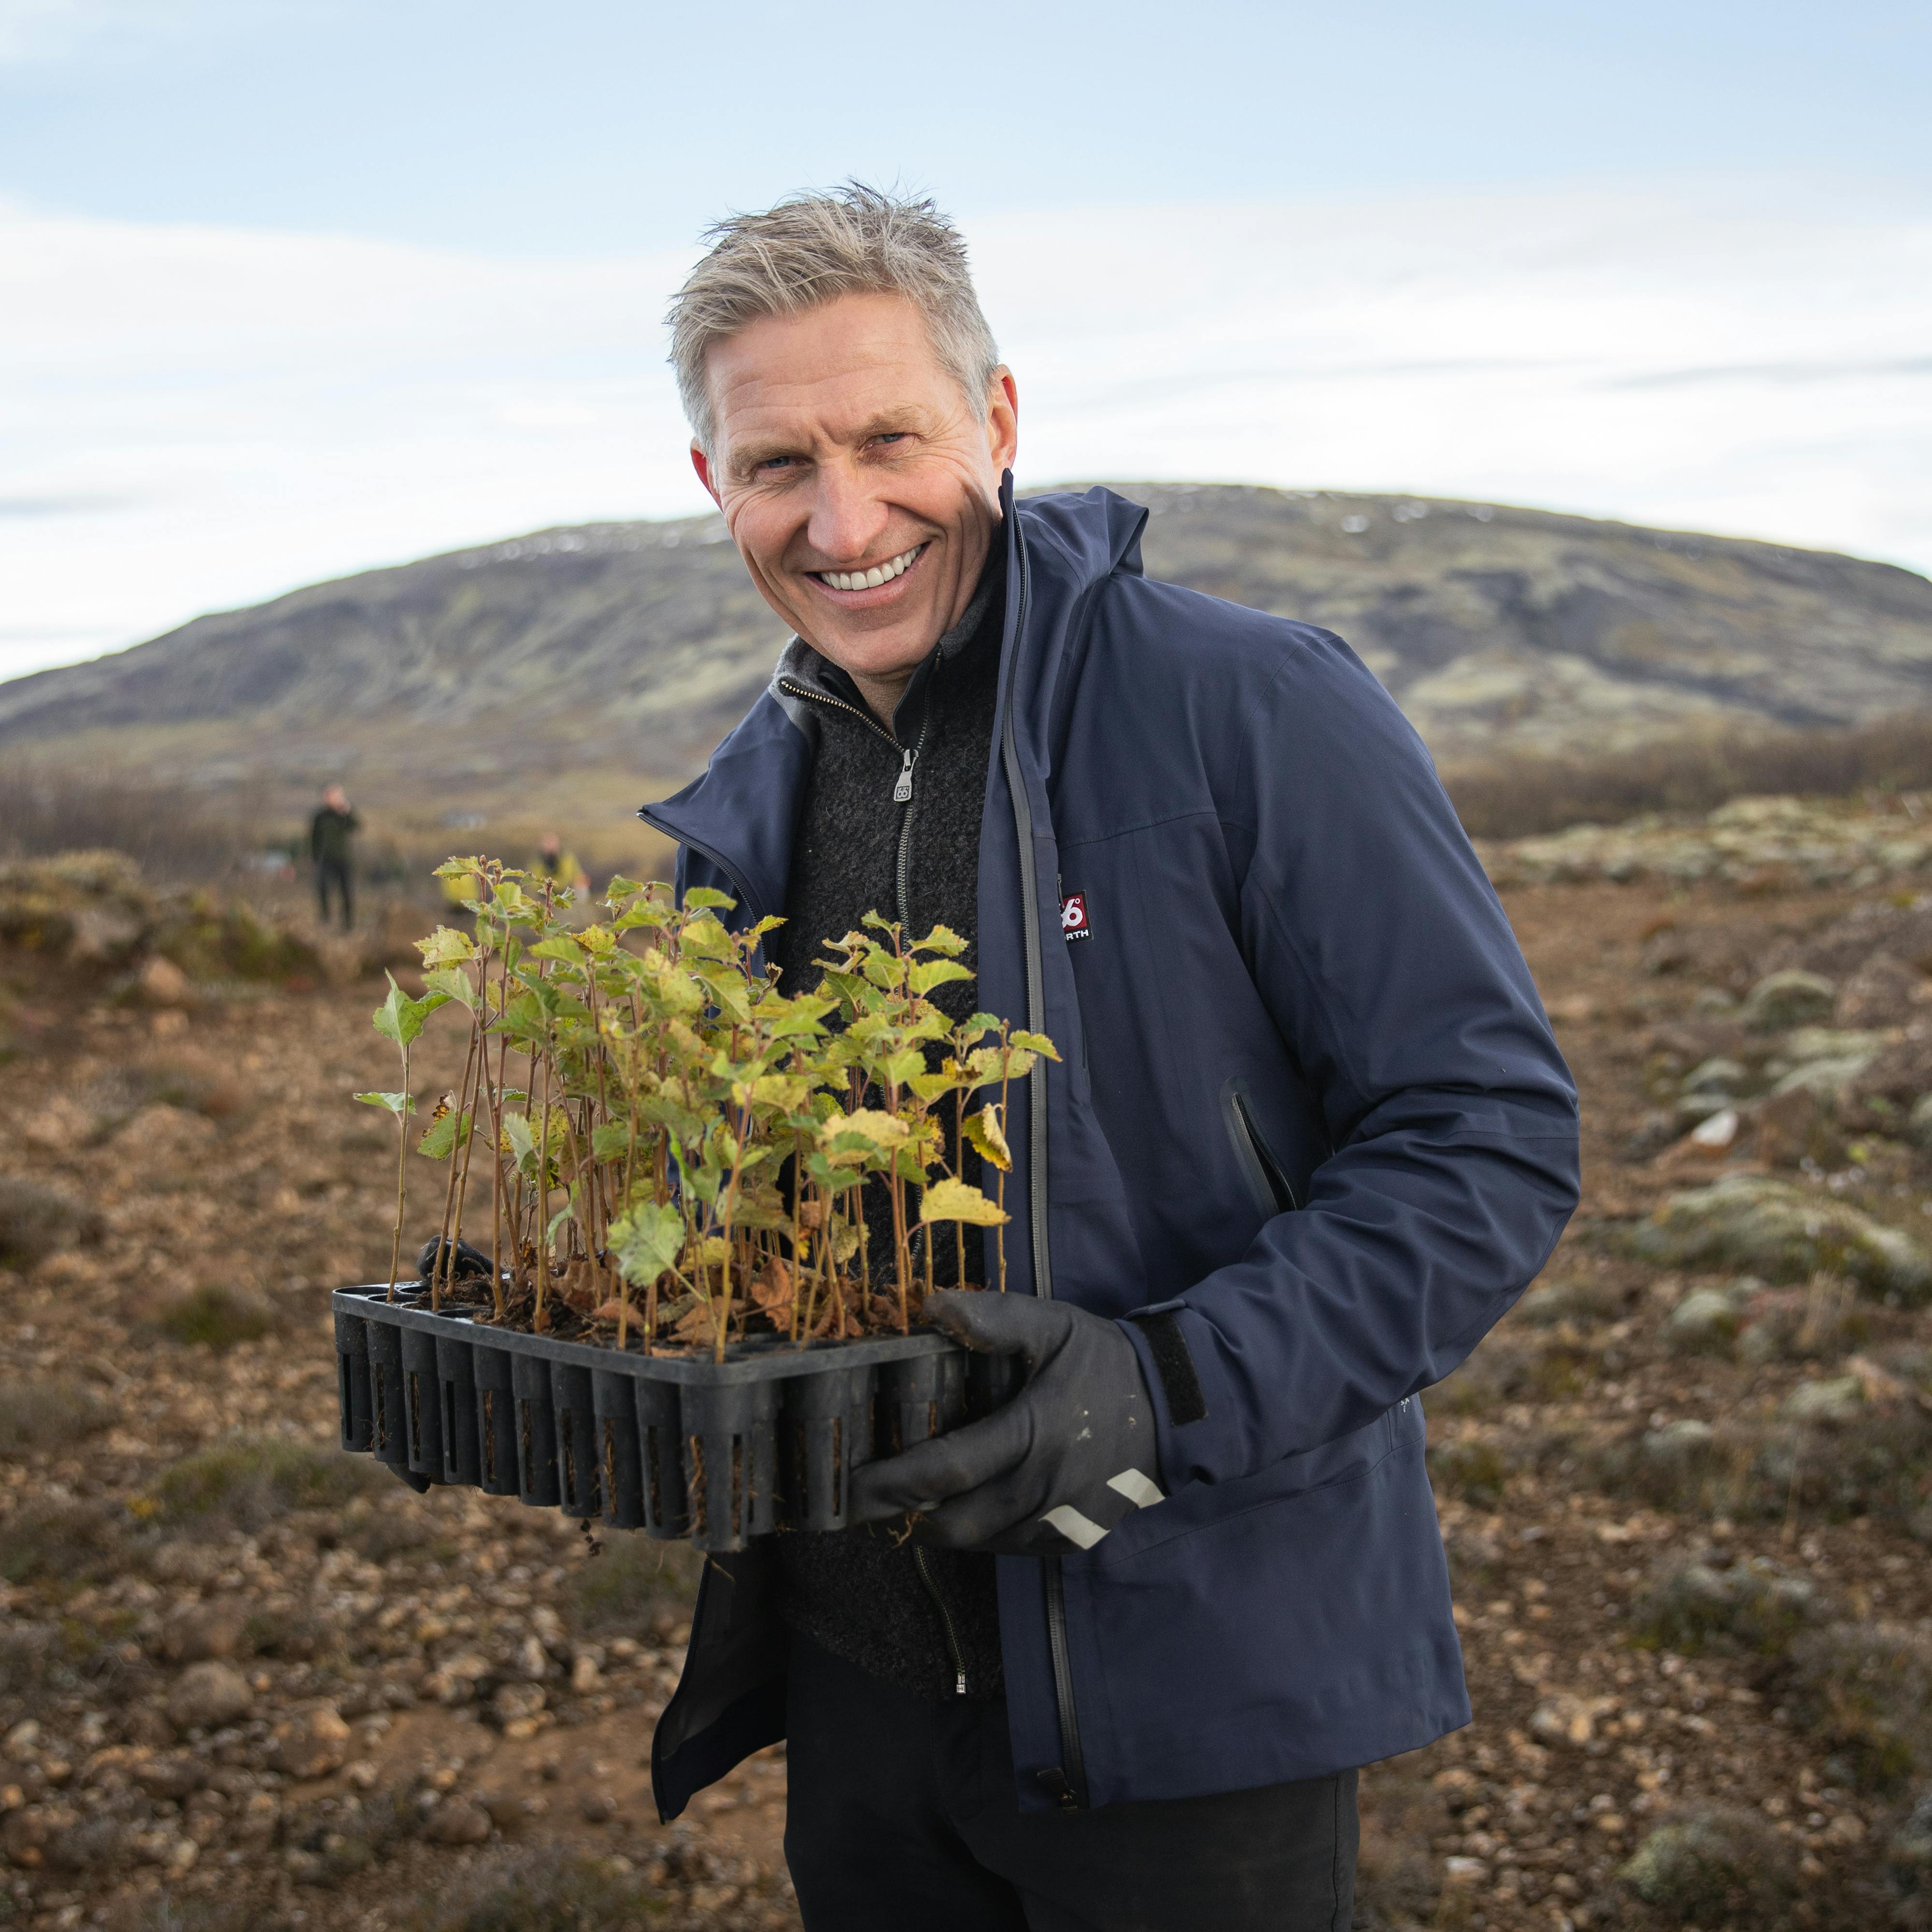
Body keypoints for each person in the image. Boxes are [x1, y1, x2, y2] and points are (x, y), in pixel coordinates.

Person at [639, 186, 1580, 1932]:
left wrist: (1165, 1382)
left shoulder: (1248, 703)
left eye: (888, 436)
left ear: (995, 420)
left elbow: (1485, 1139)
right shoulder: (741, 803)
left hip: (1186, 1673)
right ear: (713, 484)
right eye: (778, 464)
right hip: (856, 1687)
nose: (842, 517)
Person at [309, 784, 359, 931]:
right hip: (326, 859)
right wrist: (314, 858)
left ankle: (348, 924)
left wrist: (346, 811)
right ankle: (325, 918)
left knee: (346, 892)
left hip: (344, 859)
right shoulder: (320, 816)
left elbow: (355, 826)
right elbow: (315, 838)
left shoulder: (342, 814)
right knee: (322, 887)